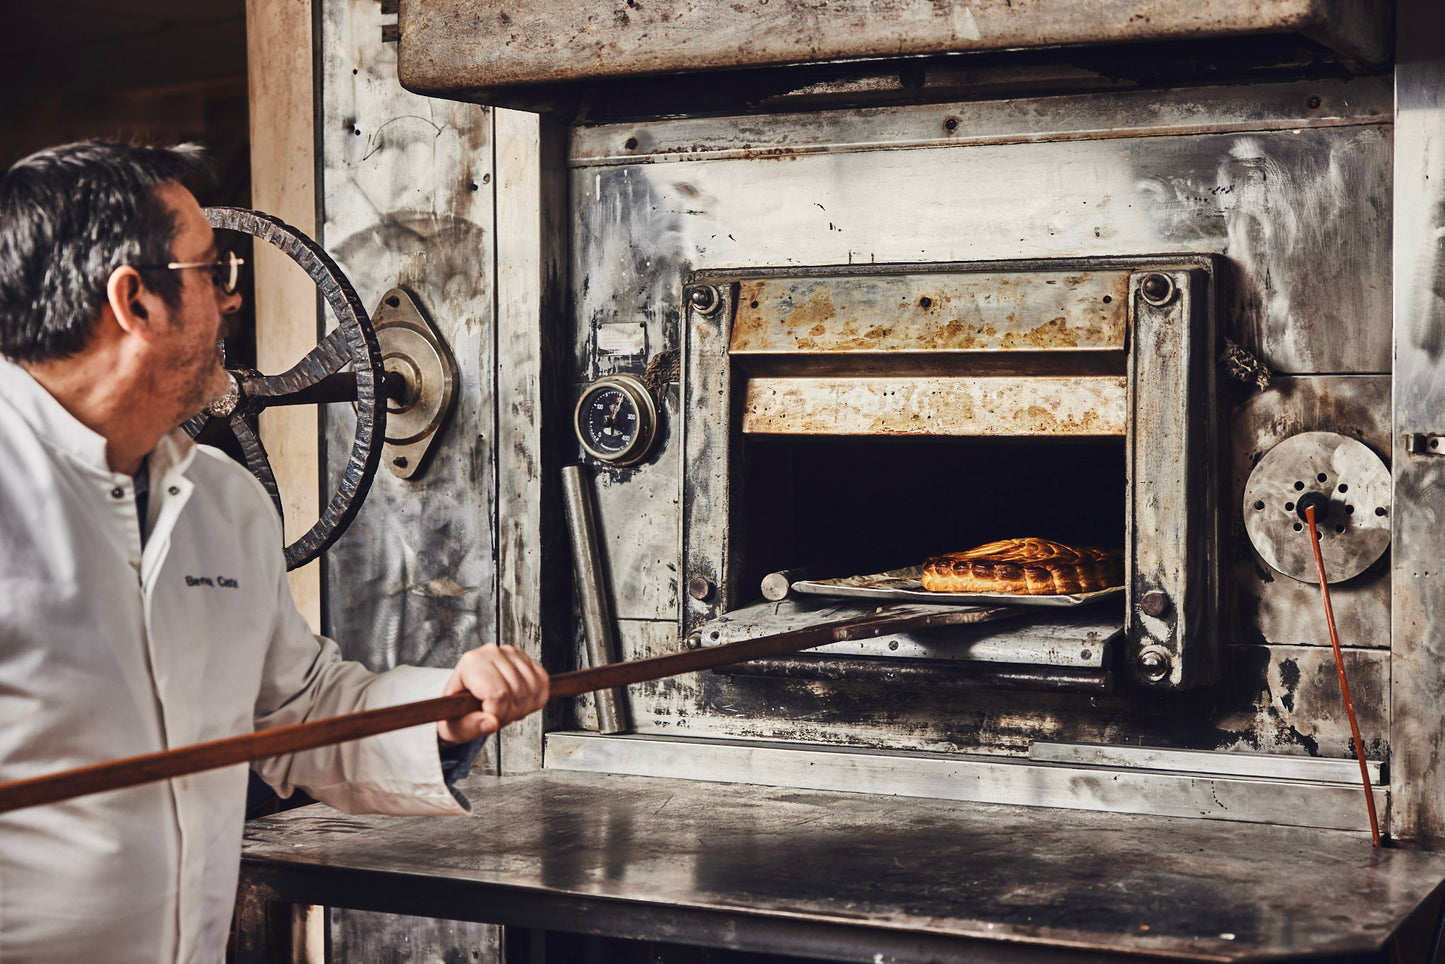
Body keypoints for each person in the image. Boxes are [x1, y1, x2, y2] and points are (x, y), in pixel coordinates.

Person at [0, 141, 550, 962]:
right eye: (213, 271)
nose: (232, 299)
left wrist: (442, 709)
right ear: (134, 300)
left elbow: (294, 713)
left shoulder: (223, 501)